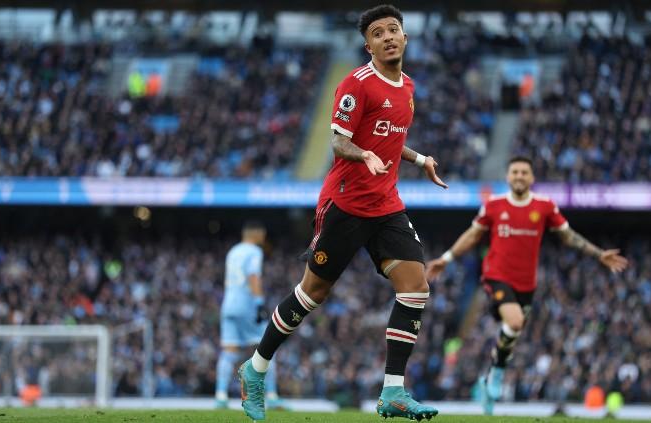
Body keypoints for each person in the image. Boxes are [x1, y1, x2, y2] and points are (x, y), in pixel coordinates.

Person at [238, 4, 447, 421]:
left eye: (394, 30)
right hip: (346, 204)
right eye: (378, 33)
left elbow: (389, 137)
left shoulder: (407, 86)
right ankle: (256, 368)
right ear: (367, 44)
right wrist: (364, 153)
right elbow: (339, 141)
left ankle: (393, 392)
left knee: (416, 287)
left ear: (405, 37)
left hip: (386, 205)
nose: (387, 37)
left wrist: (419, 158)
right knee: (312, 294)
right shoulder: (357, 84)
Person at [425, 156, 628, 414]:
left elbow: (568, 237)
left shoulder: (544, 207)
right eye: (515, 172)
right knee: (516, 321)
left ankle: (489, 379)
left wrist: (599, 254)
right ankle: (497, 373)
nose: (520, 176)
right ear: (508, 177)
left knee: (511, 334)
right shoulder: (494, 206)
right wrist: (446, 258)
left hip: (526, 285)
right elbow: (473, 235)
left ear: (531, 178)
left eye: (524, 172)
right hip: (496, 276)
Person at [215, 221, 284, 410]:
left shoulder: (233, 251)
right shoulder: (254, 252)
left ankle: (220, 396)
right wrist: (259, 303)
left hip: (228, 305)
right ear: (256, 233)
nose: (264, 237)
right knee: (267, 349)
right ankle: (272, 395)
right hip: (246, 305)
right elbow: (253, 276)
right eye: (263, 233)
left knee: (229, 352)